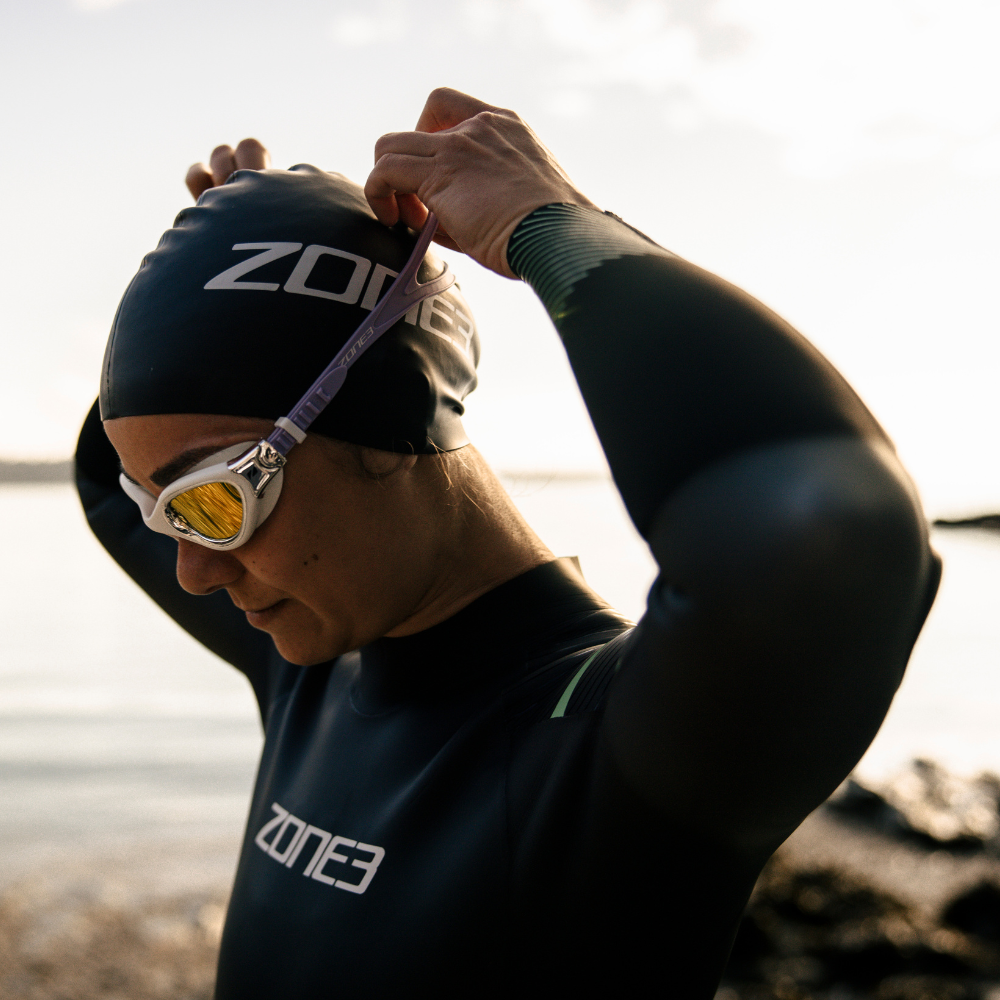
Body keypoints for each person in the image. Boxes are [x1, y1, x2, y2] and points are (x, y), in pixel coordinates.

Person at [75, 88, 940, 998]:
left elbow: (827, 528)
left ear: (386, 423)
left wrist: (550, 226)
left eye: (212, 500)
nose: (193, 570)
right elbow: (103, 481)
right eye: (160, 509)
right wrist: (226, 246)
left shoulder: (615, 754)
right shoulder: (313, 666)